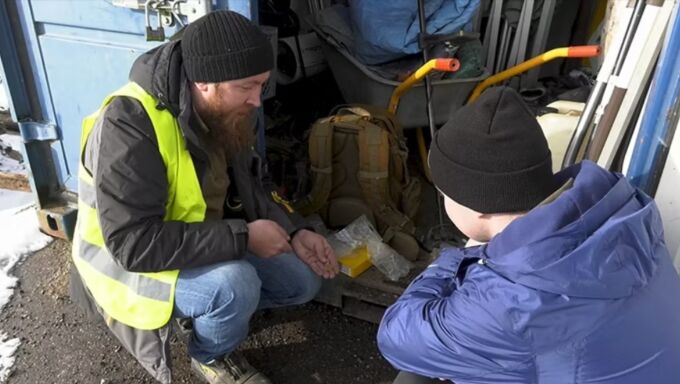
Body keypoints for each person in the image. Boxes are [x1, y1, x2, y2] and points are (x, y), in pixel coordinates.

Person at [70, 10, 339, 384]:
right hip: (129, 266)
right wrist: (243, 238)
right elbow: (131, 244)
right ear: (204, 82)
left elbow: (254, 186)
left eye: (261, 85)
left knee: (302, 279)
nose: (257, 101)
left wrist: (293, 232)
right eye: (247, 87)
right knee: (235, 285)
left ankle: (206, 311)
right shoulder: (129, 123)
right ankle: (211, 356)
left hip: (198, 241)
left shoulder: (228, 109)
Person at [377, 86, 680, 384]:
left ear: (478, 205)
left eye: (443, 193)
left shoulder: (513, 302)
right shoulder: (621, 213)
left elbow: (396, 336)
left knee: (416, 374)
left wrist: (448, 262)